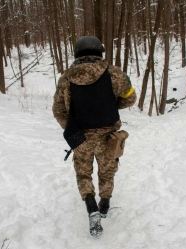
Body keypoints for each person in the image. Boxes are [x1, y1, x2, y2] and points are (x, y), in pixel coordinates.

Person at [52, 35, 136, 236]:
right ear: (100, 51)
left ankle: (91, 207)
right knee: (107, 171)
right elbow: (130, 98)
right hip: (108, 135)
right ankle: (105, 204)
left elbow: (58, 110)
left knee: (83, 173)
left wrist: (72, 129)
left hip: (81, 138)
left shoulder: (66, 77)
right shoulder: (115, 73)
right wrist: (114, 105)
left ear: (77, 53)